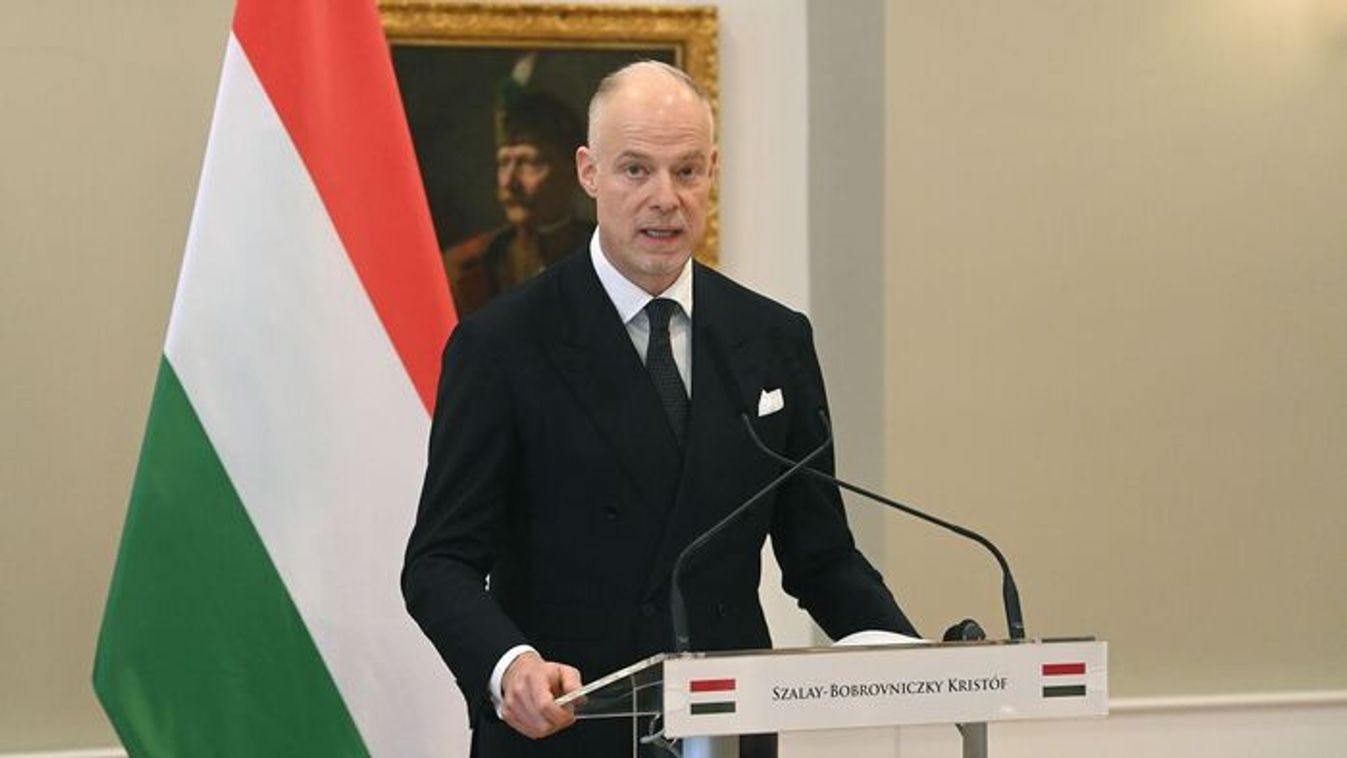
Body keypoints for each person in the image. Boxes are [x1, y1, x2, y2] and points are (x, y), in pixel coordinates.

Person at [403, 61, 918, 758]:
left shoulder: (773, 339)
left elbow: (821, 555)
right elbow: (439, 563)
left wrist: (913, 664)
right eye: (636, 170)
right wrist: (509, 665)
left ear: (712, 173)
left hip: (726, 729)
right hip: (567, 732)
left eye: (686, 172)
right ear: (589, 172)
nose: (665, 199)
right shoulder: (501, 344)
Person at [443, 87, 594, 318]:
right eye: (504, 162)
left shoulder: (611, 258)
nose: (509, 182)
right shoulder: (466, 270)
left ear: (573, 171)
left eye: (528, 162)